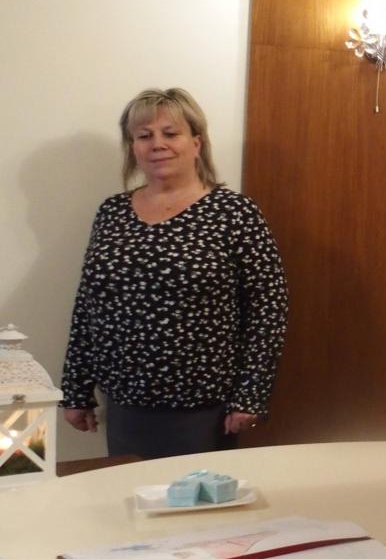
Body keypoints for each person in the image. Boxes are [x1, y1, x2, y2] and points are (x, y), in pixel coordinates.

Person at [60, 88, 288, 459]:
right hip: (124, 404)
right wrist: (76, 390)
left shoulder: (235, 214)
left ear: (197, 142)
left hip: (203, 408)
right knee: (130, 492)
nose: (157, 144)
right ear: (133, 147)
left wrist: (251, 395)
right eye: (144, 136)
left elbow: (268, 310)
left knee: (193, 495)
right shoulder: (112, 213)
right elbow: (89, 305)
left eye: (170, 133)